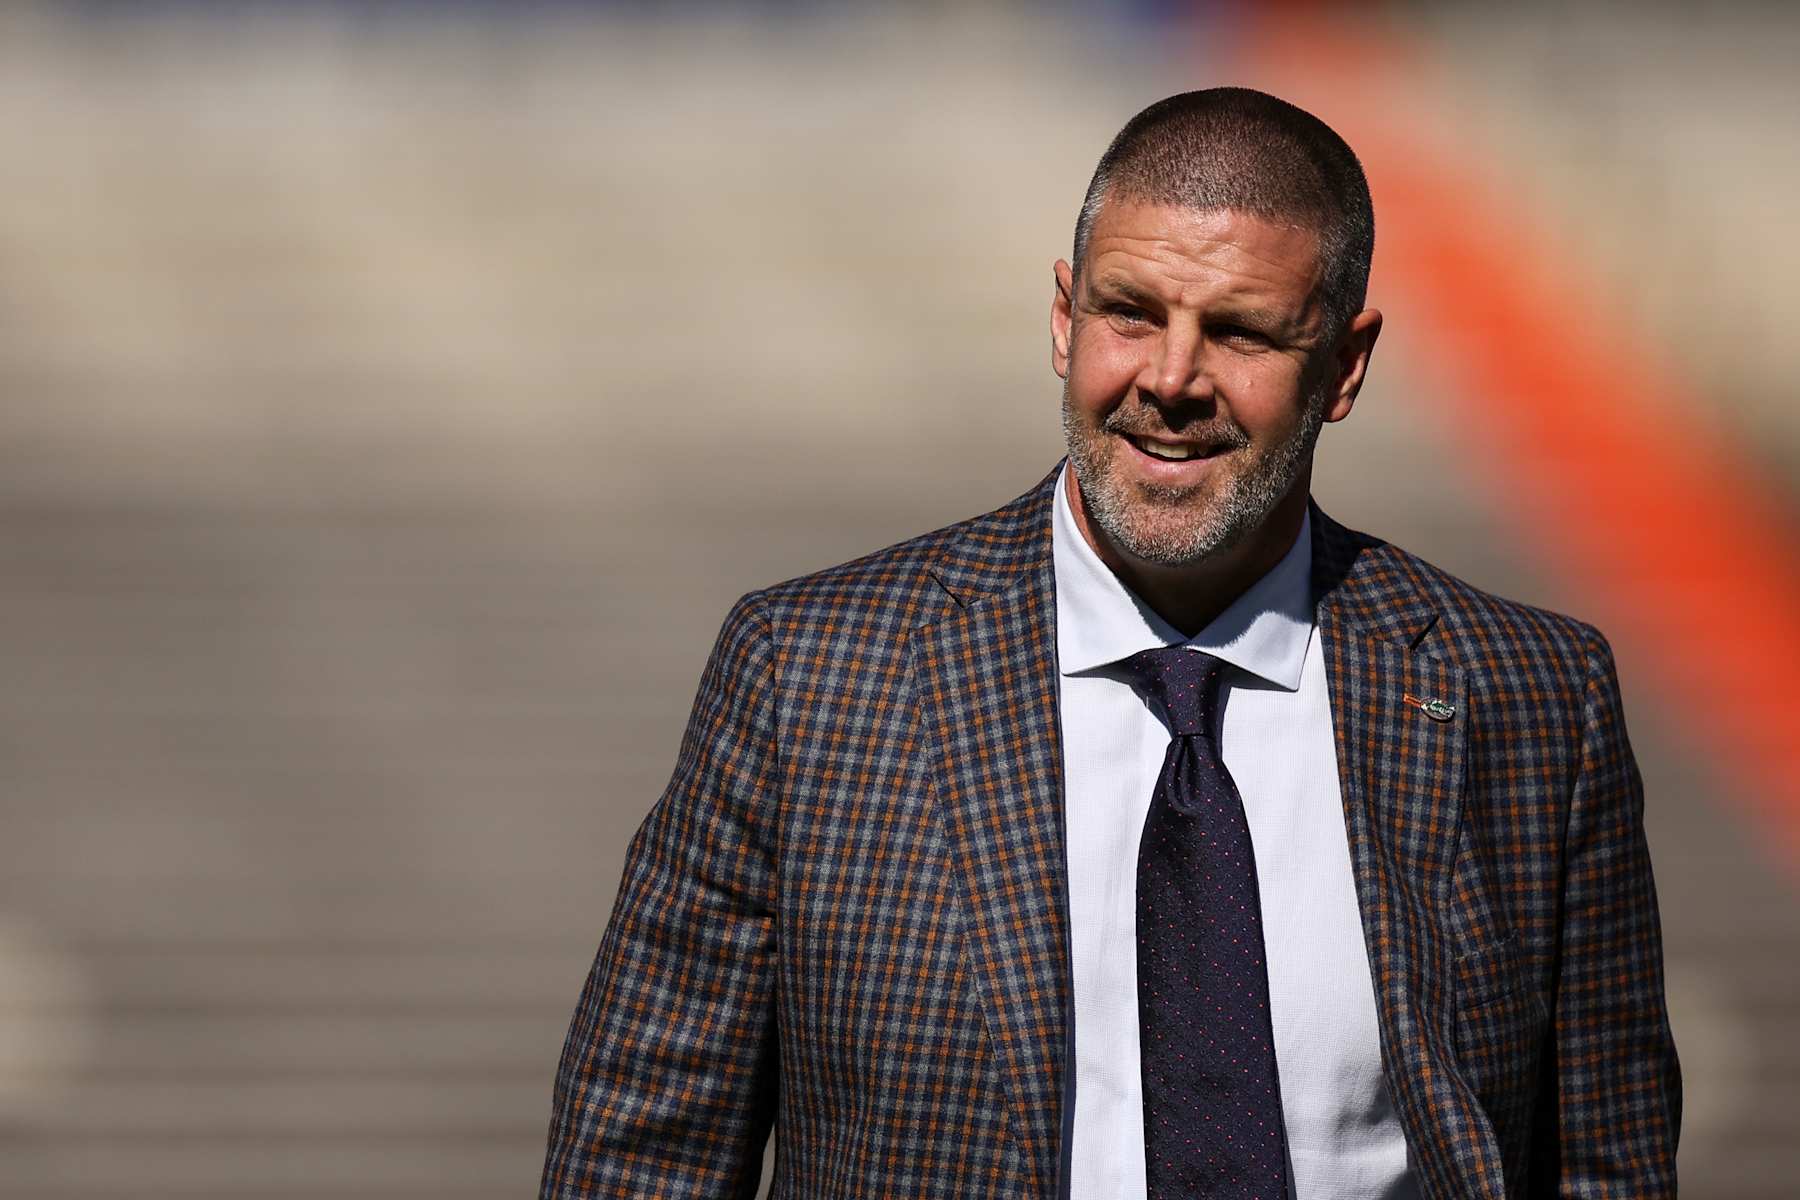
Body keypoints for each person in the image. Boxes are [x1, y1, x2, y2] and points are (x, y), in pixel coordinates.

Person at [538, 88, 1680, 1199]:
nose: (1172, 380)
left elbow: (1608, 1163)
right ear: (1061, 315)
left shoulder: (1528, 696)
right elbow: (643, 1155)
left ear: (1344, 365)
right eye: (1130, 313)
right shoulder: (812, 675)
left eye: (1239, 332)